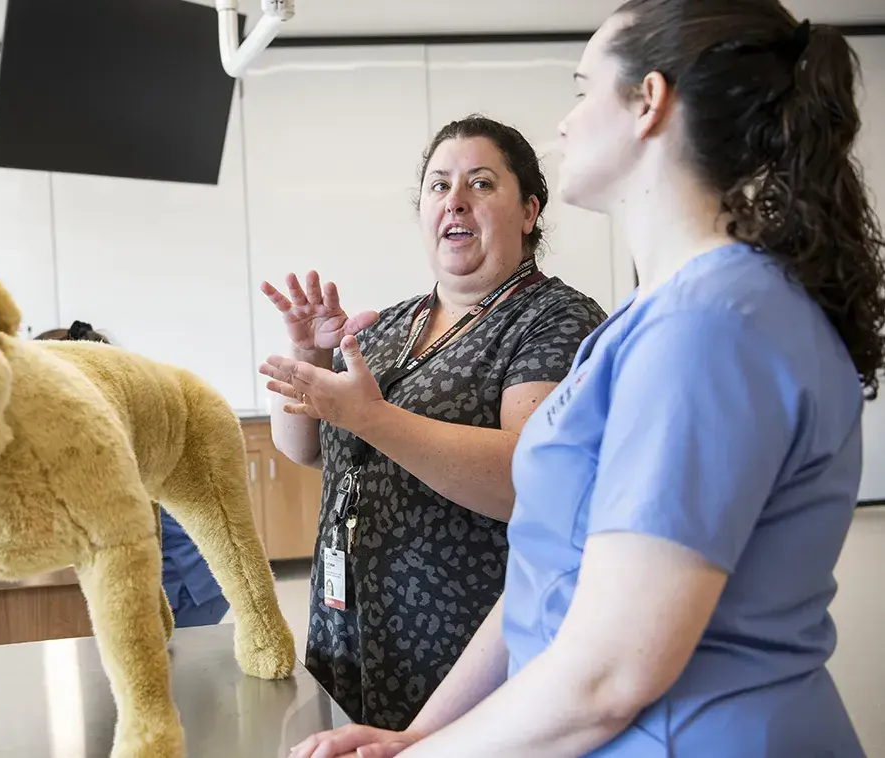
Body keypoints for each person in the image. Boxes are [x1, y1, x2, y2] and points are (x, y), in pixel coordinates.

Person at [291, 3, 882, 757]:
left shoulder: (710, 326)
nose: (565, 125)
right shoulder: (657, 318)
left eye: (581, 89)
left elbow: (608, 675)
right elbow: (545, 570)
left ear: (650, 103)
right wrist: (415, 738)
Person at [259, 115, 607, 730]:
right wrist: (309, 356)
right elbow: (306, 450)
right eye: (439, 186)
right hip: (349, 637)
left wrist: (372, 416)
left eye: (480, 184)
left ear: (529, 212)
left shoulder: (555, 319)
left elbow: (532, 481)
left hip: (462, 652)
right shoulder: (389, 324)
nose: (456, 200)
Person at [35, 320, 231, 627]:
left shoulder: (99, 425)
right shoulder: (118, 407)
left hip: (185, 581)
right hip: (198, 572)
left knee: (171, 662)